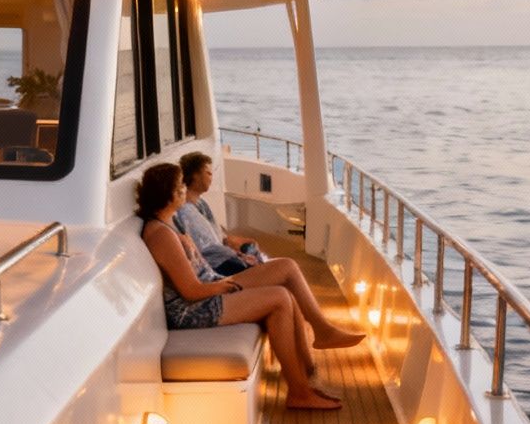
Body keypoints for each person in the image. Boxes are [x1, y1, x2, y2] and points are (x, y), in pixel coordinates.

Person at [137, 163, 364, 411]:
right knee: (280, 298)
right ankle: (300, 390)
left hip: (210, 285)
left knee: (286, 268)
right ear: (169, 193)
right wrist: (225, 286)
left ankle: (312, 361)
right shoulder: (161, 234)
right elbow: (191, 291)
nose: (184, 188)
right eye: (179, 185)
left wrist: (226, 279)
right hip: (192, 309)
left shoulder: (168, 224)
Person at [175, 151, 263, 274]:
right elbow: (207, 249)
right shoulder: (186, 211)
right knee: (282, 266)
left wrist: (228, 241)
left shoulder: (200, 203)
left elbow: (216, 237)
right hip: (218, 265)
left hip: (223, 255)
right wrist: (239, 255)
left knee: (251, 245)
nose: (211, 178)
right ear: (195, 175)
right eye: (208, 173)